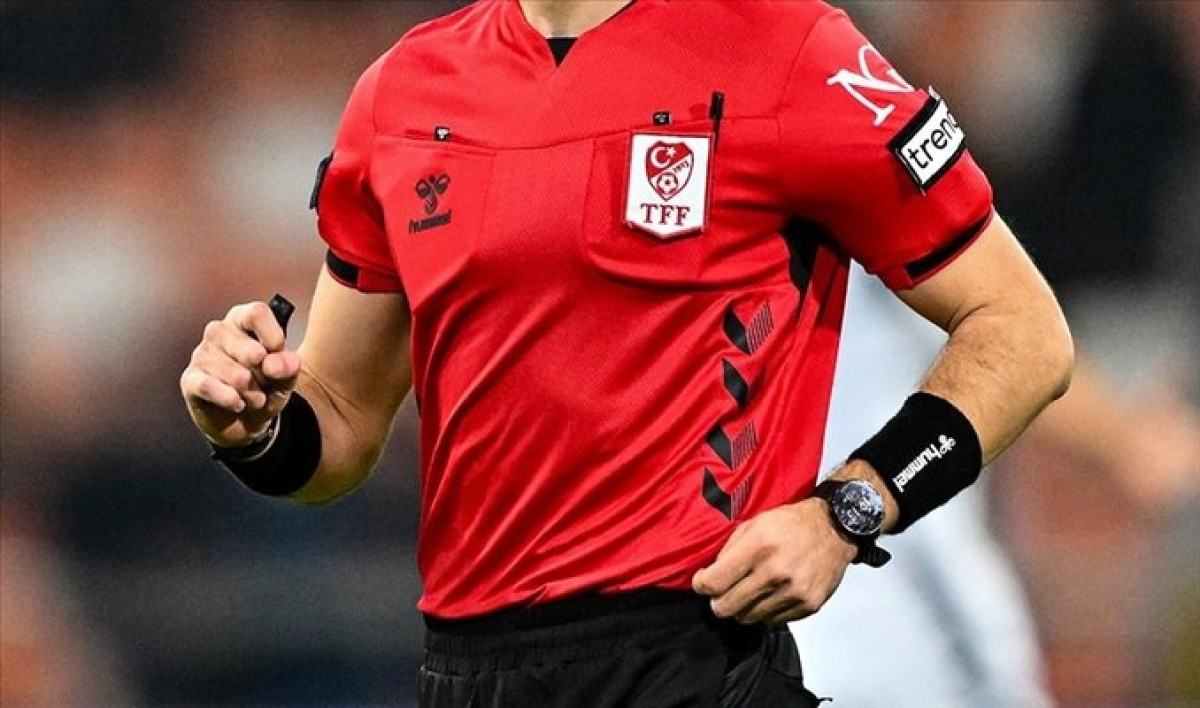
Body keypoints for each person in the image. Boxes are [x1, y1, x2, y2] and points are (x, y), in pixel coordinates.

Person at [179, 1, 1073, 705]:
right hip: (468, 666)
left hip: (694, 653)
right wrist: (254, 425)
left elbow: (1022, 328)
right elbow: (338, 423)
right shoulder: (403, 92)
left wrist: (851, 508)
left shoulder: (790, 50)